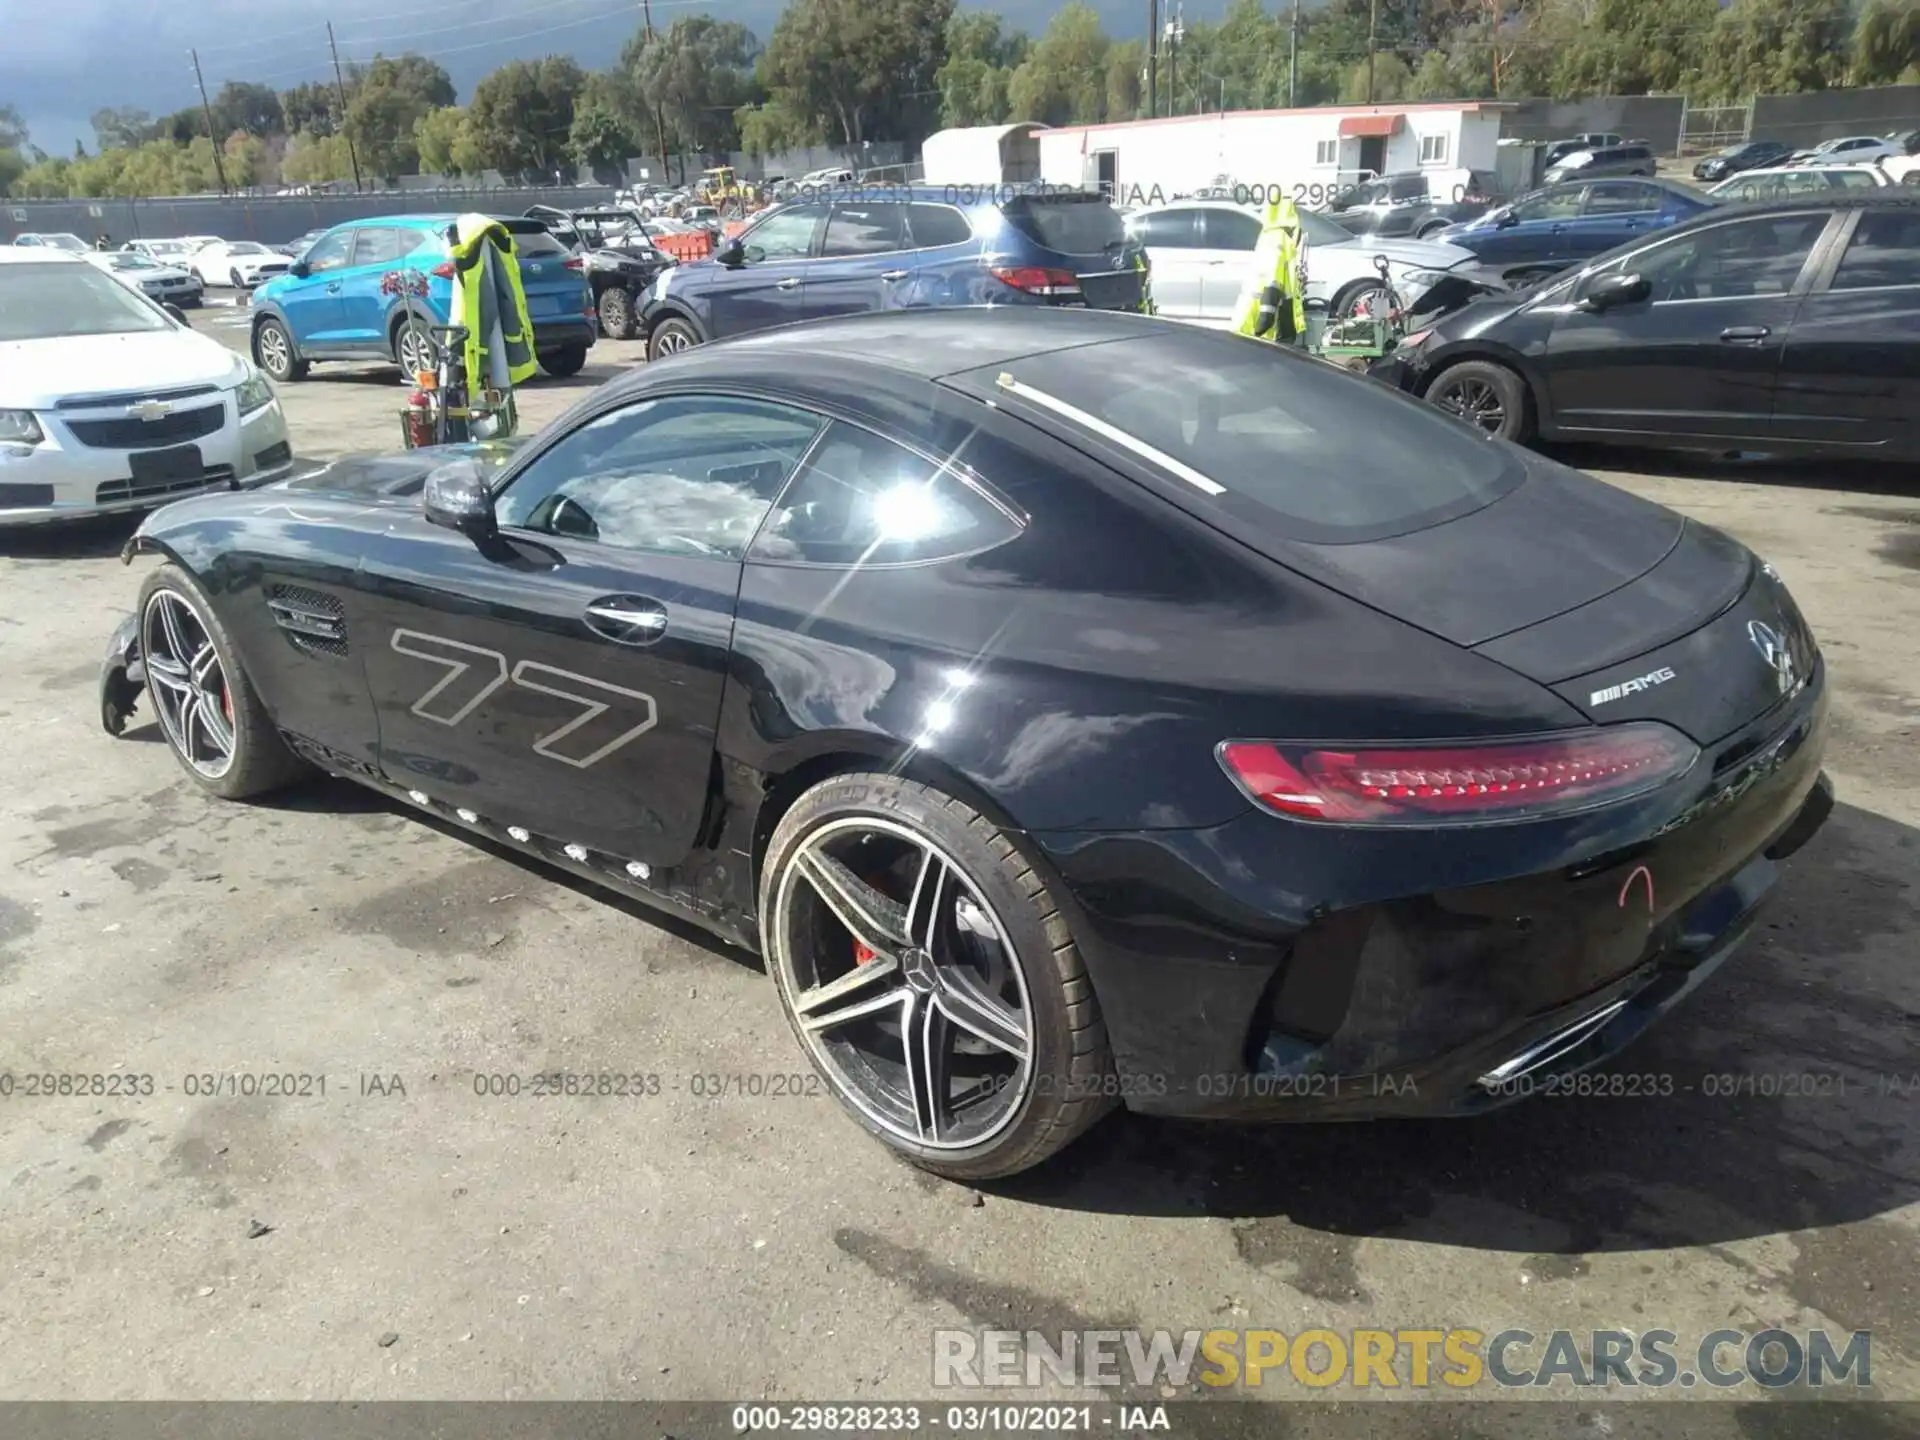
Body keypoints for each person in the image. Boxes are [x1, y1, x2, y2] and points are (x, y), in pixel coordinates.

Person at [1230, 196, 1307, 347]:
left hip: (1257, 316)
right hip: (1264, 321)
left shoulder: (1271, 235)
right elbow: (1274, 278)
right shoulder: (1278, 237)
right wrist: (1266, 316)